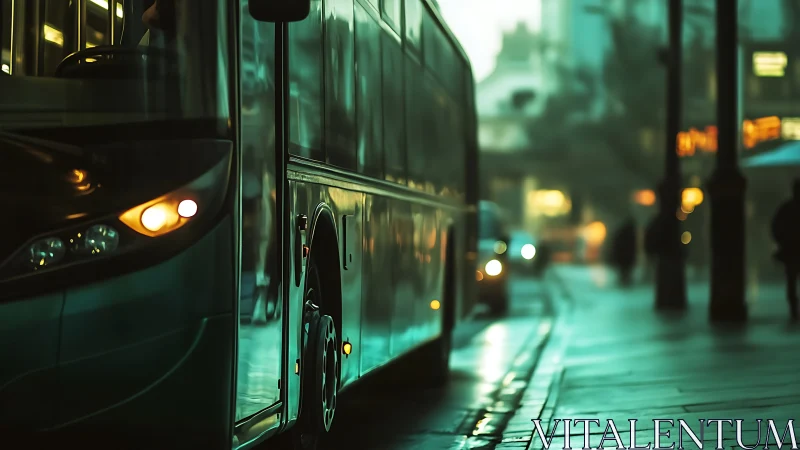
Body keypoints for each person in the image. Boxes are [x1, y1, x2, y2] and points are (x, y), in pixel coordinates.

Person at [771, 179, 800, 320]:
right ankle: (793, 308)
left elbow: (776, 227)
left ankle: (793, 309)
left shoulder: (786, 208)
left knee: (791, 281)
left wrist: (782, 242)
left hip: (790, 251)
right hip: (792, 251)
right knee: (791, 281)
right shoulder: (786, 209)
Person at [610, 218, 637, 286]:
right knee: (626, 270)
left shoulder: (621, 234)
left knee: (624, 270)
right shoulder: (631, 235)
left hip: (623, 257)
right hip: (627, 257)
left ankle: (624, 281)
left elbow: (616, 246)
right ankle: (625, 281)